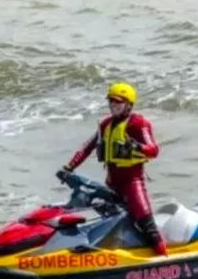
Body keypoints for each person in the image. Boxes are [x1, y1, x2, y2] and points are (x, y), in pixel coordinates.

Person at [60, 82, 167, 256]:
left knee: (147, 224)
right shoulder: (105, 125)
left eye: (118, 102)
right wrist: (69, 167)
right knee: (106, 222)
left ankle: (164, 260)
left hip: (132, 183)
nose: (113, 105)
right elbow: (87, 147)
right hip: (111, 183)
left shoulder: (138, 124)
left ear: (129, 104)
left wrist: (136, 146)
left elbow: (153, 150)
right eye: (111, 101)